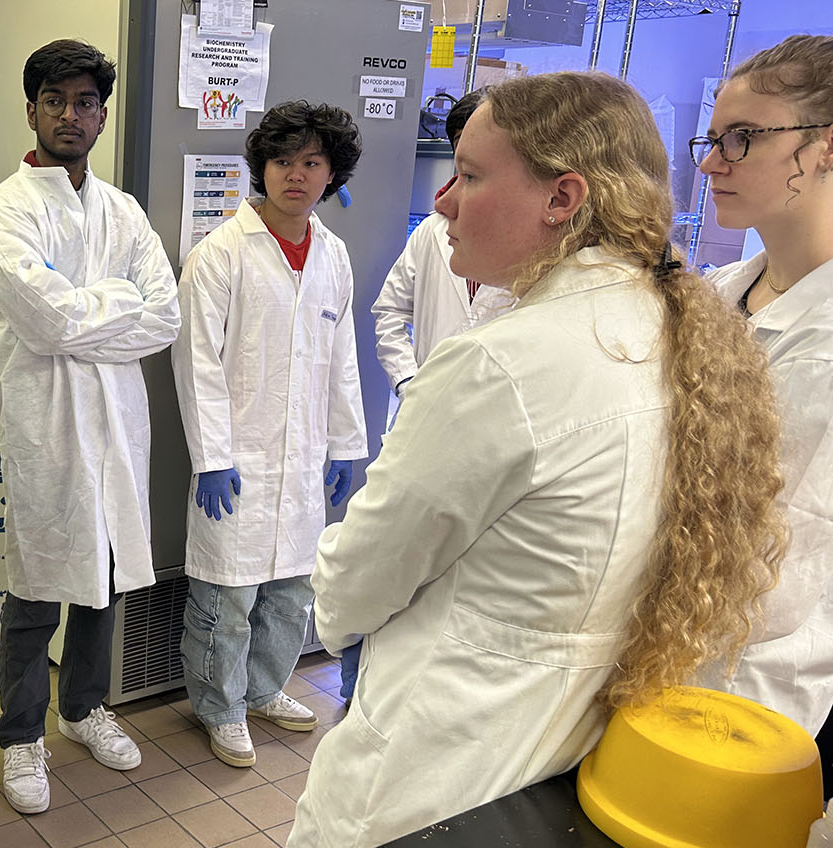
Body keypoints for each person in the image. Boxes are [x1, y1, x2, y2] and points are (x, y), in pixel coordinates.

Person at [287, 72, 786, 847]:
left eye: (473, 175)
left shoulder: (503, 364)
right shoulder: (682, 336)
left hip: (434, 770)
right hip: (564, 759)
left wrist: (340, 607)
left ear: (562, 199)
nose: (445, 199)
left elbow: (354, 583)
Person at [0, 39, 180, 814]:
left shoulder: (122, 210)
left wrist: (85, 307)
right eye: (54, 100)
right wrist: (109, 303)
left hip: (118, 425)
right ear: (32, 111)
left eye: (85, 101)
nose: (70, 114)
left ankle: (85, 706)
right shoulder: (4, 211)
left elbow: (166, 314)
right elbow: (47, 323)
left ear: (101, 114)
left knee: (106, 578)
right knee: (34, 588)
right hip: (45, 427)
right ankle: (21, 734)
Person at [171, 100, 365, 768]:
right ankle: (219, 708)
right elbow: (195, 363)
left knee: (290, 593)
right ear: (262, 167)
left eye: (312, 162)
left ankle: (263, 690)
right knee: (228, 597)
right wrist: (214, 458)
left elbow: (343, 357)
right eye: (283, 160)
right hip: (240, 459)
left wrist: (346, 444)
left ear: (331, 172)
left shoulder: (333, 256)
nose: (296, 175)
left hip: (306, 455)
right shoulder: (219, 254)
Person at [691, 34, 833, 738]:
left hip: (762, 686)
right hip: (664, 652)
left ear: (826, 147)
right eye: (713, 139)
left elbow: (796, 540)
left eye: (742, 138)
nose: (711, 163)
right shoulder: (716, 296)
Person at [371, 89, 511, 400]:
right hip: (426, 403)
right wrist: (407, 380)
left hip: (497, 414)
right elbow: (390, 309)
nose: (468, 150)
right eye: (461, 139)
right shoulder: (432, 229)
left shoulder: (526, 238)